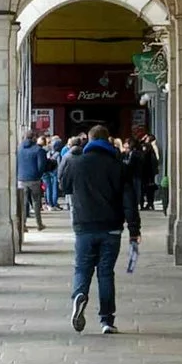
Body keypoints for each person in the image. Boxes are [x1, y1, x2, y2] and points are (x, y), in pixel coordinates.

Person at [57, 114, 138, 334]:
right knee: (105, 273)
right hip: (111, 228)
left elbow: (64, 186)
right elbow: (129, 201)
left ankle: (79, 294)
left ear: (89, 140)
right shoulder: (119, 166)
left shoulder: (77, 163)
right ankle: (107, 320)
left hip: (84, 226)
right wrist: (134, 230)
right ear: (108, 140)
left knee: (82, 268)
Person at [15, 122, 48, 243]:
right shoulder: (39, 150)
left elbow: (16, 164)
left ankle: (23, 225)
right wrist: (38, 175)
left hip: (21, 179)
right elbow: (41, 166)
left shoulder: (19, 149)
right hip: (34, 179)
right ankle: (39, 224)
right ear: (34, 138)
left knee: (23, 203)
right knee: (36, 201)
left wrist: (18, 176)